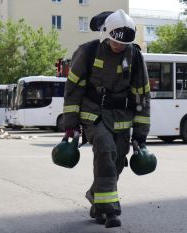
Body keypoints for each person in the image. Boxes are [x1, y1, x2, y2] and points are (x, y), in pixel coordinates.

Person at [62, 9, 150, 228]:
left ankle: (96, 197)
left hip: (122, 117)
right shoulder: (88, 52)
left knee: (117, 161)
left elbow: (142, 95)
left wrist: (141, 134)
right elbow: (73, 89)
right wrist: (71, 124)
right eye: (114, 41)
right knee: (105, 149)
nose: (118, 46)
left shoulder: (135, 56)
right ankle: (111, 211)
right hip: (94, 114)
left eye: (122, 43)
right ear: (106, 34)